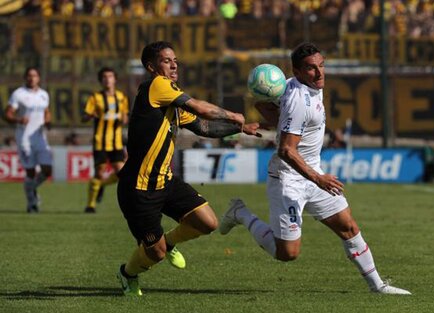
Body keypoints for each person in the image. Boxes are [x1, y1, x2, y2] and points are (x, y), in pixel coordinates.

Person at [219, 43, 411, 295]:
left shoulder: (296, 86)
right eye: (311, 68)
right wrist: (318, 178)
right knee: (287, 253)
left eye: (321, 66)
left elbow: (263, 103)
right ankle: (241, 213)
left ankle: (378, 286)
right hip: (289, 178)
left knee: (348, 227)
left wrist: (278, 122)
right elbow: (286, 150)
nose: (319, 73)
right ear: (297, 72)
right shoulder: (298, 101)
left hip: (312, 173)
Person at [116, 41, 260, 296]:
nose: (173, 64)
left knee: (207, 222)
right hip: (139, 189)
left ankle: (170, 242)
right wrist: (232, 115)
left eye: (175, 60)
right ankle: (128, 274)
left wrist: (240, 129)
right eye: (166, 60)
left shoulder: (170, 100)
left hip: (165, 181)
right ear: (151, 67)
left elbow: (203, 127)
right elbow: (200, 108)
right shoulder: (157, 86)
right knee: (155, 253)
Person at [4, 67, 52, 213]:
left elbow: (46, 111)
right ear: (25, 77)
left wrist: (48, 121)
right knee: (30, 172)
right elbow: (7, 114)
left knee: (47, 170)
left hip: (40, 137)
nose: (32, 78)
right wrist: (19, 119)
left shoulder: (44, 94)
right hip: (24, 138)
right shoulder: (18, 94)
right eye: (29, 76)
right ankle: (32, 203)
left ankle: (32, 189)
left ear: (38, 78)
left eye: (35, 75)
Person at [82, 67, 129, 213]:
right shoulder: (95, 98)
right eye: (104, 77)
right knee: (99, 173)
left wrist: (124, 118)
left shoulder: (121, 97)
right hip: (100, 142)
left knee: (122, 173)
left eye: (110, 76)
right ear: (101, 80)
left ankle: (102, 184)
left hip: (116, 142)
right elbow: (84, 117)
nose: (107, 79)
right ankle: (91, 205)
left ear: (115, 79)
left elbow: (125, 118)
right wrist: (90, 116)